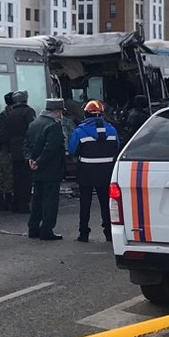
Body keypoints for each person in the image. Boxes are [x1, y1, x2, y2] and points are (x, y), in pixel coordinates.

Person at [68, 100, 120, 243]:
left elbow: (72, 150)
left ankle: (84, 233)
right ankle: (109, 233)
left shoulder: (80, 131)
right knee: (106, 203)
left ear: (85, 113)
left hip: (86, 171)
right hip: (106, 172)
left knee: (85, 203)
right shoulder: (112, 130)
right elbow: (117, 146)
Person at [22, 98, 66, 240]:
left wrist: (30, 160)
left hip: (35, 168)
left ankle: (33, 228)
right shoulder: (54, 126)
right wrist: (40, 162)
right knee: (50, 201)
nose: (61, 115)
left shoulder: (34, 124)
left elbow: (26, 144)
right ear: (56, 111)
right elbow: (50, 148)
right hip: (51, 169)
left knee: (37, 199)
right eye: (61, 112)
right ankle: (46, 230)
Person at [4, 90, 37, 213]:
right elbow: (32, 130)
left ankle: (16, 203)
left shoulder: (10, 113)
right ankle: (24, 205)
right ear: (25, 99)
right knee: (26, 178)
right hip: (25, 148)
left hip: (14, 149)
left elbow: (6, 133)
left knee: (16, 178)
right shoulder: (28, 112)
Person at [0, 92, 14, 211]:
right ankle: (6, 200)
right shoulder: (9, 115)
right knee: (8, 176)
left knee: (1, 175)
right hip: (7, 149)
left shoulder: (3, 114)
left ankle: (2, 200)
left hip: (2, 149)